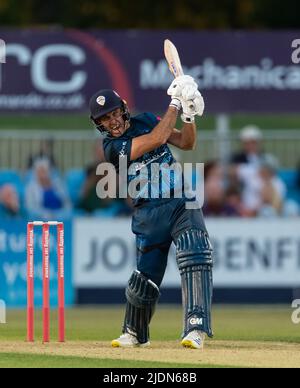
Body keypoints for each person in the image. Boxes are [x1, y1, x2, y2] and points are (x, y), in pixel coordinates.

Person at [89, 77, 213, 350]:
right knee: (144, 279)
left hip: (181, 201)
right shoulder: (111, 147)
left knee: (195, 254)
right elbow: (157, 139)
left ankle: (195, 327)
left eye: (113, 113)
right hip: (149, 211)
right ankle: (134, 332)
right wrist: (176, 103)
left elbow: (186, 142)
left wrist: (190, 115)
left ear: (123, 108)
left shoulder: (145, 119)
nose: (112, 121)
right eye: (105, 119)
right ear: (99, 125)